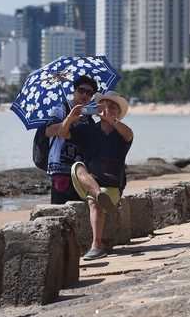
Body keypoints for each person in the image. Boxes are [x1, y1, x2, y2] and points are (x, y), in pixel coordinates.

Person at [57, 90, 134, 260]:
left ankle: (97, 246)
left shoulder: (121, 132)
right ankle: (99, 195)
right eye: (104, 104)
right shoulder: (88, 130)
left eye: (112, 106)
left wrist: (112, 121)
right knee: (77, 167)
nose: (107, 107)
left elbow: (129, 135)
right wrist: (70, 118)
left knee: (94, 202)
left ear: (118, 113)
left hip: (112, 186)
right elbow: (63, 133)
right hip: (90, 182)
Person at [44, 75, 98, 204]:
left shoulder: (88, 117)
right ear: (74, 90)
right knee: (59, 206)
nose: (84, 94)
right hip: (60, 167)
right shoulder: (61, 108)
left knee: (78, 206)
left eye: (89, 93)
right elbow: (49, 131)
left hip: (81, 170)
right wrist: (69, 119)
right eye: (81, 90)